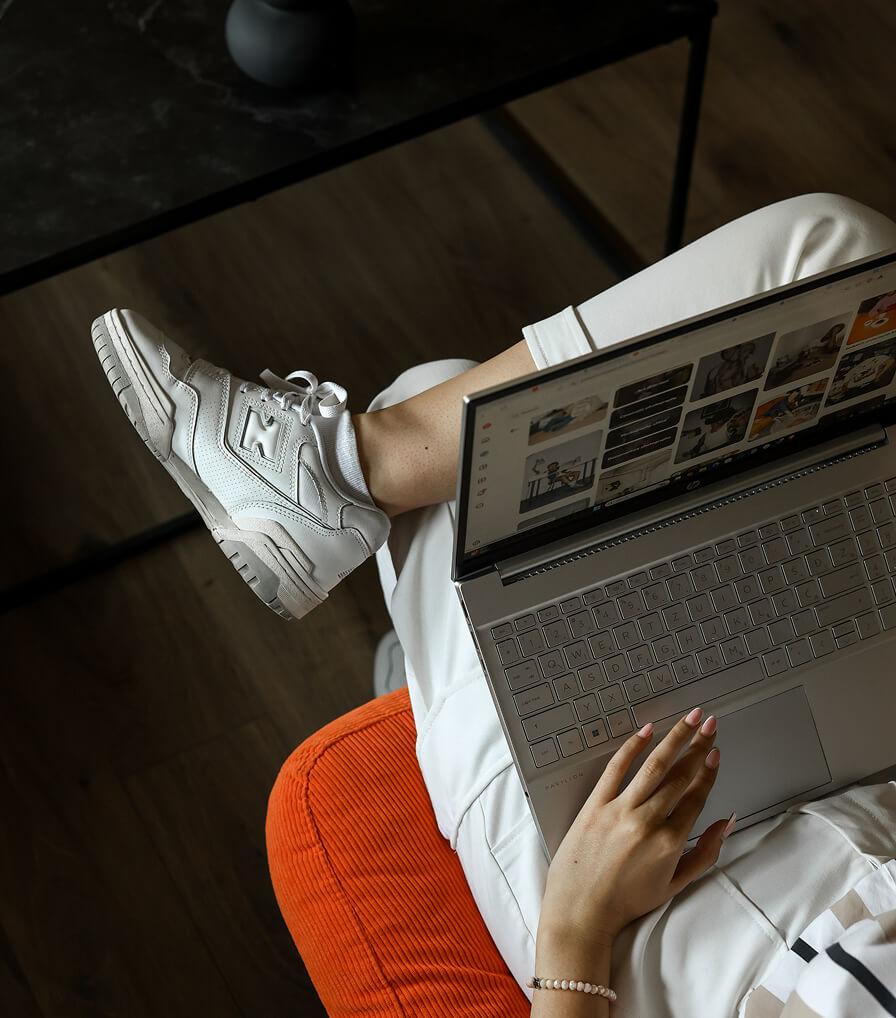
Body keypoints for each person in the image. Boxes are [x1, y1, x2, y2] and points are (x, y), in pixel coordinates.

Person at [92, 194, 896, 1017]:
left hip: (689, 929)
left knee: (446, 424)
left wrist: (579, 922)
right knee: (840, 248)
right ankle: (343, 473)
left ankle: (338, 476)